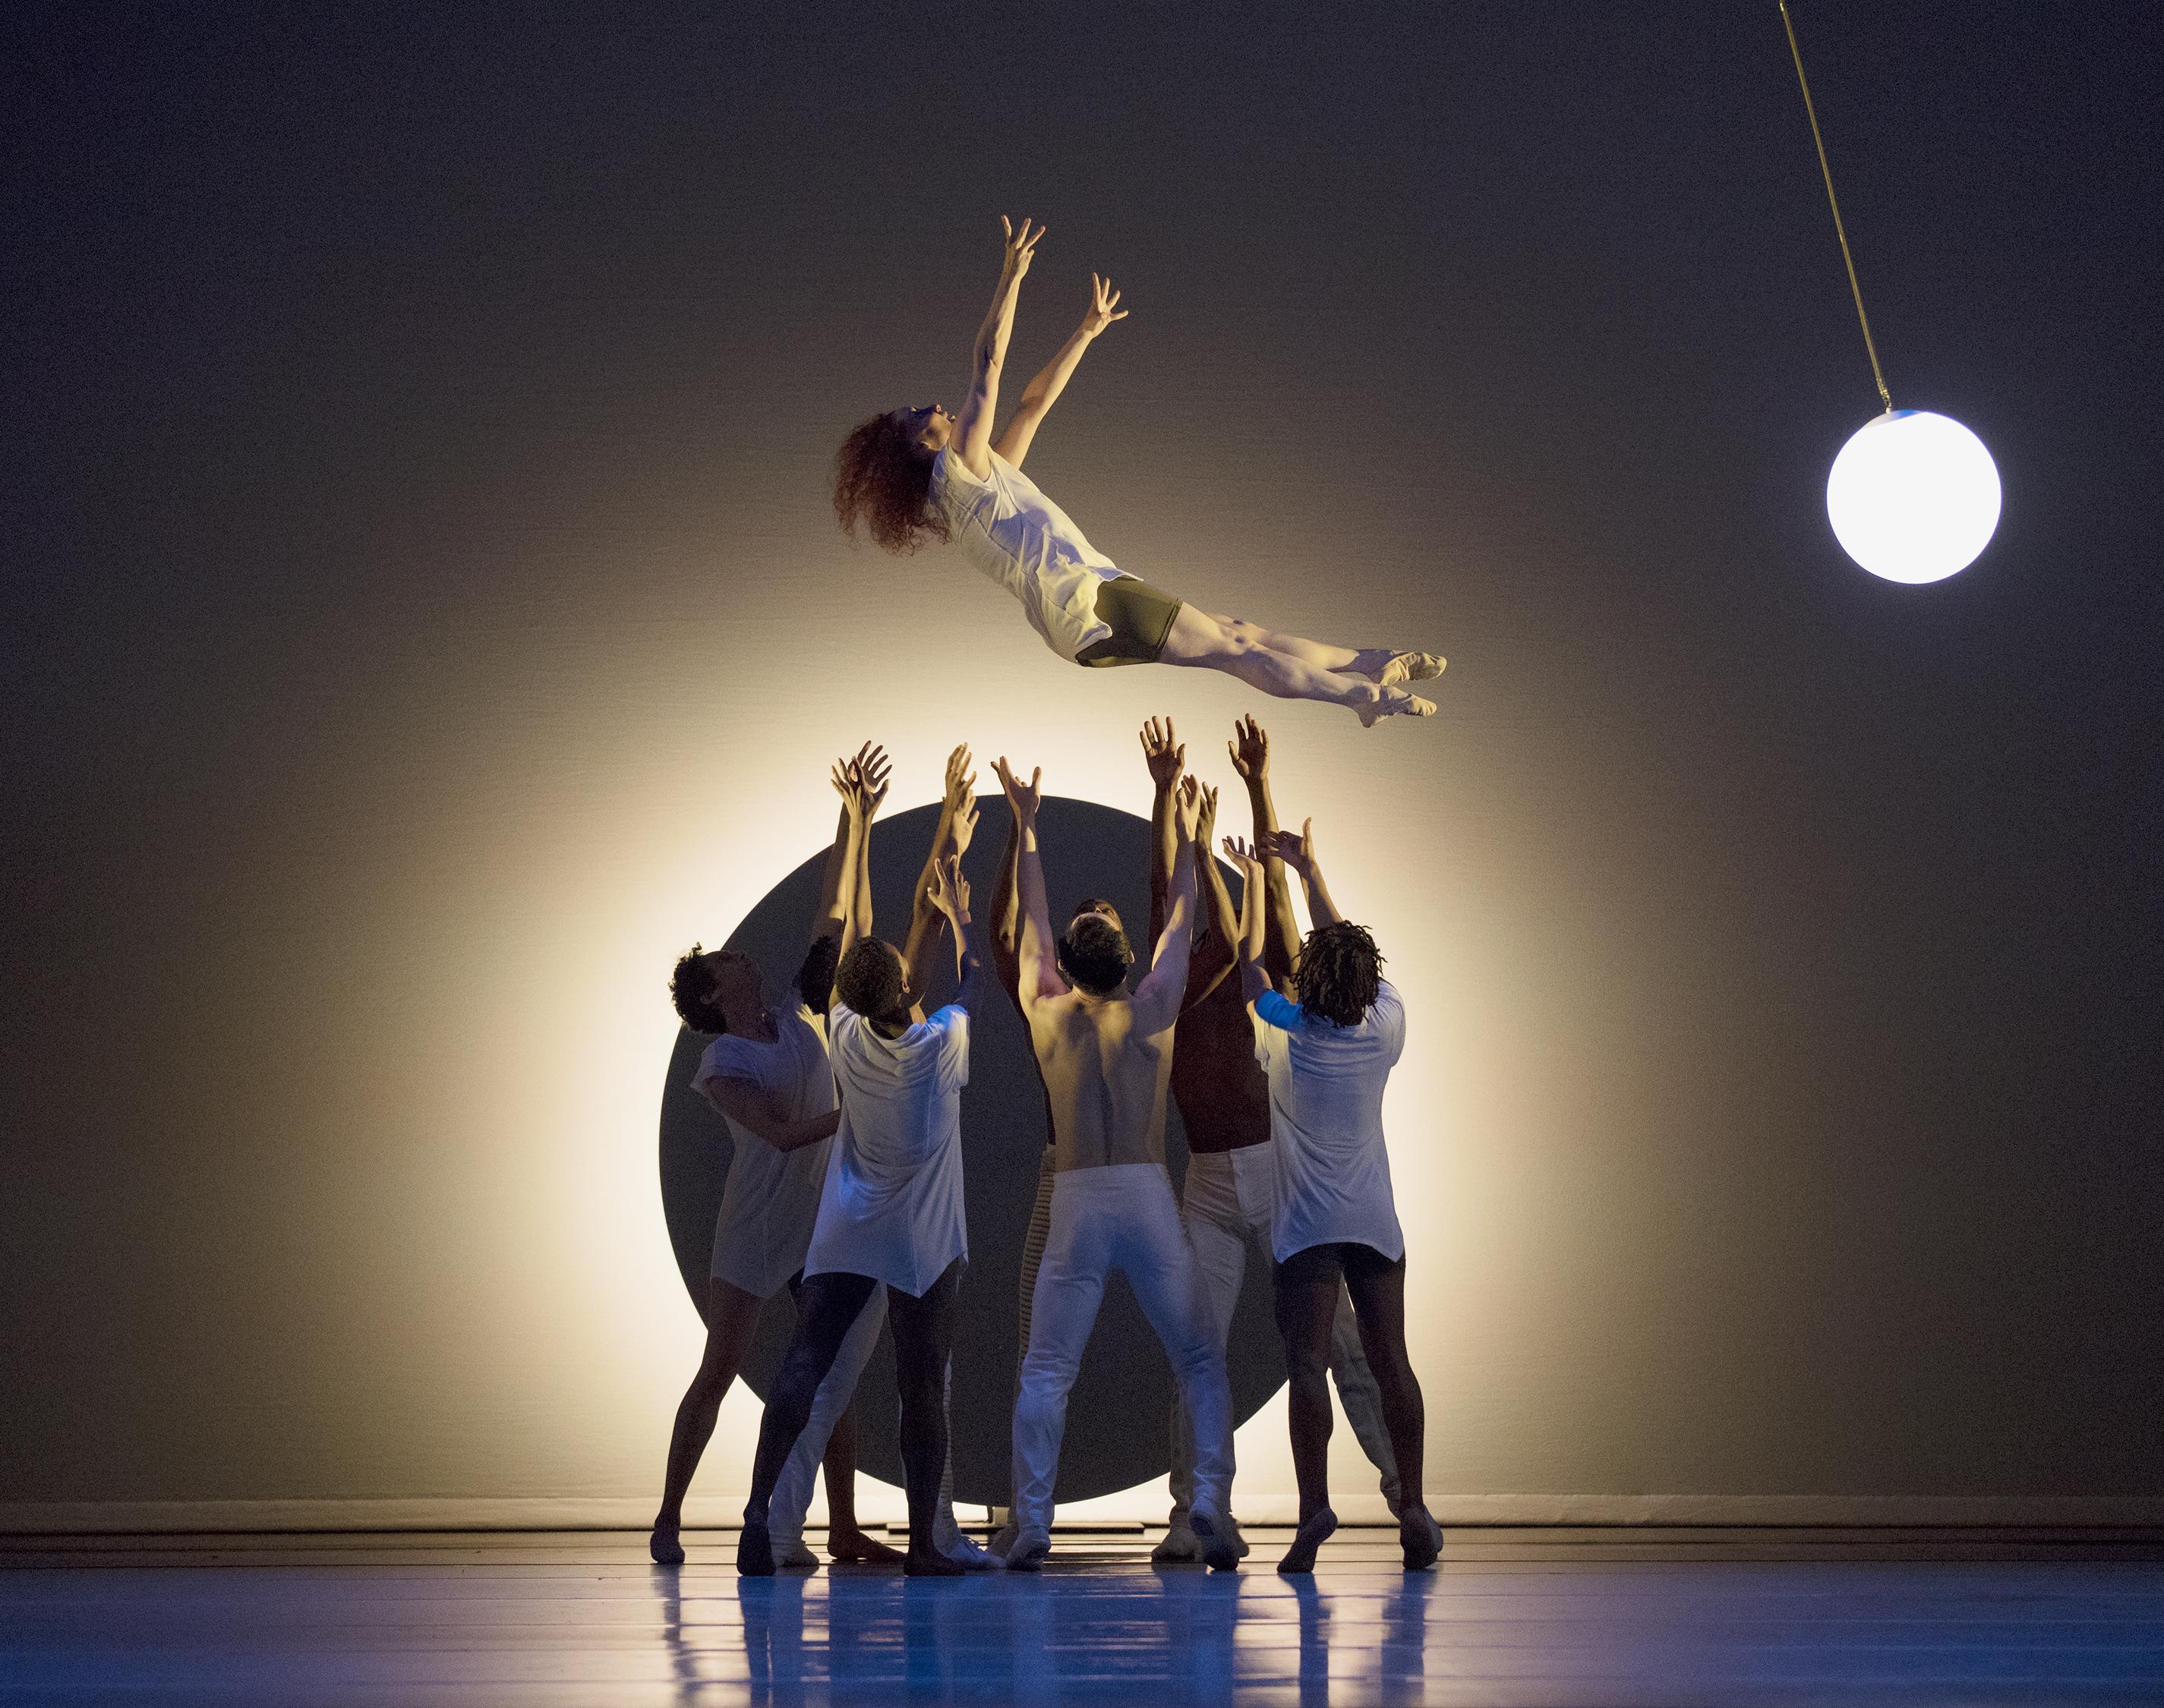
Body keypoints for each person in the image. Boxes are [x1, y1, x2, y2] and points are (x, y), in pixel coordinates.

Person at [832, 216, 1446, 726]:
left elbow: (1030, 405)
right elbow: (988, 364)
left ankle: (1370, 663)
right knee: (1236, 652)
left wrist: (1085, 332)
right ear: (911, 447)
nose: (931, 406)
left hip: (1087, 603)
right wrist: (1011, 275)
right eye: (915, 413)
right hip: (1089, 604)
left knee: (1239, 631)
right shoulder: (956, 473)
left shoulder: (981, 478)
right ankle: (1368, 697)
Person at [1135, 716, 1406, 1566]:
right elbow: (1165, 889)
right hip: (1208, 1178)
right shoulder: (1173, 973)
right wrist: (1163, 799)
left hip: (1274, 1171)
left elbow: (1285, 919)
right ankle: (1197, 1510)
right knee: (1197, 1346)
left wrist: (1257, 787)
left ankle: (1407, 1490)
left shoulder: (1276, 988)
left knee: (1344, 1349)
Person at [651, 744, 903, 1570]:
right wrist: (864, 1113)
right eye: (723, 962)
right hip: (757, 1227)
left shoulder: (794, 1015)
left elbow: (833, 910)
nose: (738, 957)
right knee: (720, 1370)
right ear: (715, 993)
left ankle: (839, 1524)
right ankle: (669, 1516)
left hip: (816, 1216)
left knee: (830, 1368)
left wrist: (856, 815)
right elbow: (788, 1134)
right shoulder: (724, 1063)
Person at [993, 755, 1241, 1572]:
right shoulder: (1153, 1011)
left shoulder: (1046, 1009)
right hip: (1143, 1194)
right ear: (1125, 962)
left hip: (1076, 1197)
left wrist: (1026, 825)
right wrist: (1195, 837)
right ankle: (1209, 1500)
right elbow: (1181, 917)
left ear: (1066, 961)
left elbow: (1027, 919)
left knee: (1047, 1368)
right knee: (1200, 1355)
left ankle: (1032, 1522)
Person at [737, 755, 984, 1577]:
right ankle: (923, 1547)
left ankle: (753, 1519)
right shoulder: (938, 1044)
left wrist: (863, 824)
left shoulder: (841, 1030)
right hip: (921, 1246)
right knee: (923, 1393)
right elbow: (959, 976)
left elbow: (864, 937)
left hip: (847, 1236)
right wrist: (959, 919)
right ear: (906, 989)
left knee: (803, 1369)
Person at [1221, 818, 1443, 1574]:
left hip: (1306, 1227)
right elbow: (1346, 954)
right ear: (1367, 982)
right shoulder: (1386, 1027)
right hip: (1374, 1224)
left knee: (1309, 1363)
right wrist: (1311, 872)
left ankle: (1315, 1508)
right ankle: (1411, 1501)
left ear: (1309, 984)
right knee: (1393, 1363)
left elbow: (1252, 968)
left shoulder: (1288, 1033)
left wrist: (1256, 880)